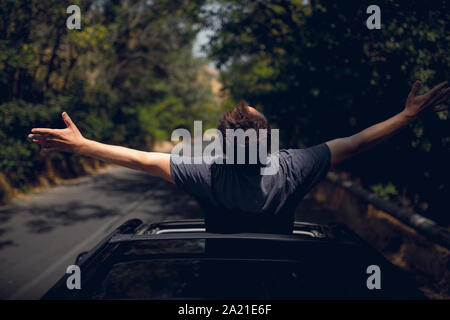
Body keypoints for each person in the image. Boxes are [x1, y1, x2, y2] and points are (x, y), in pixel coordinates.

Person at [28, 81, 449, 234]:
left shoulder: (207, 173)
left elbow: (139, 159)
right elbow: (357, 142)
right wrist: (408, 116)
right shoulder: (291, 167)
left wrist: (83, 145)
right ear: (268, 142)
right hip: (280, 279)